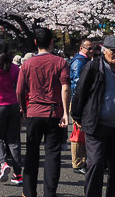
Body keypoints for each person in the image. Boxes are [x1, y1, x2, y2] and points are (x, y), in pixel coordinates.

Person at [71, 35, 115, 197]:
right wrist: (77, 117)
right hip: (96, 125)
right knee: (96, 164)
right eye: (114, 51)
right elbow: (80, 93)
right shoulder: (93, 67)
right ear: (104, 51)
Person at [16, 28, 70, 197]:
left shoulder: (27, 64)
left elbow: (19, 91)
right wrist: (66, 113)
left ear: (35, 43)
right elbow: (66, 87)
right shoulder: (60, 62)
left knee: (32, 154)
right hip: (54, 113)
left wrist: (23, 109)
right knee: (52, 154)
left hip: (33, 112)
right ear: (52, 42)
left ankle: (29, 192)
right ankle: (50, 193)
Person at [0, 41, 22, 186]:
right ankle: (18, 174)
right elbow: (20, 87)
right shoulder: (15, 68)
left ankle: (3, 163)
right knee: (13, 140)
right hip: (13, 104)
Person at [69, 38, 94, 175]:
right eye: (88, 48)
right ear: (81, 48)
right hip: (78, 100)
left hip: (82, 99)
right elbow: (79, 83)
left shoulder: (84, 61)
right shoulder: (79, 61)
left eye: (92, 48)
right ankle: (77, 163)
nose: (91, 51)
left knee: (82, 131)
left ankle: (82, 161)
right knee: (77, 132)